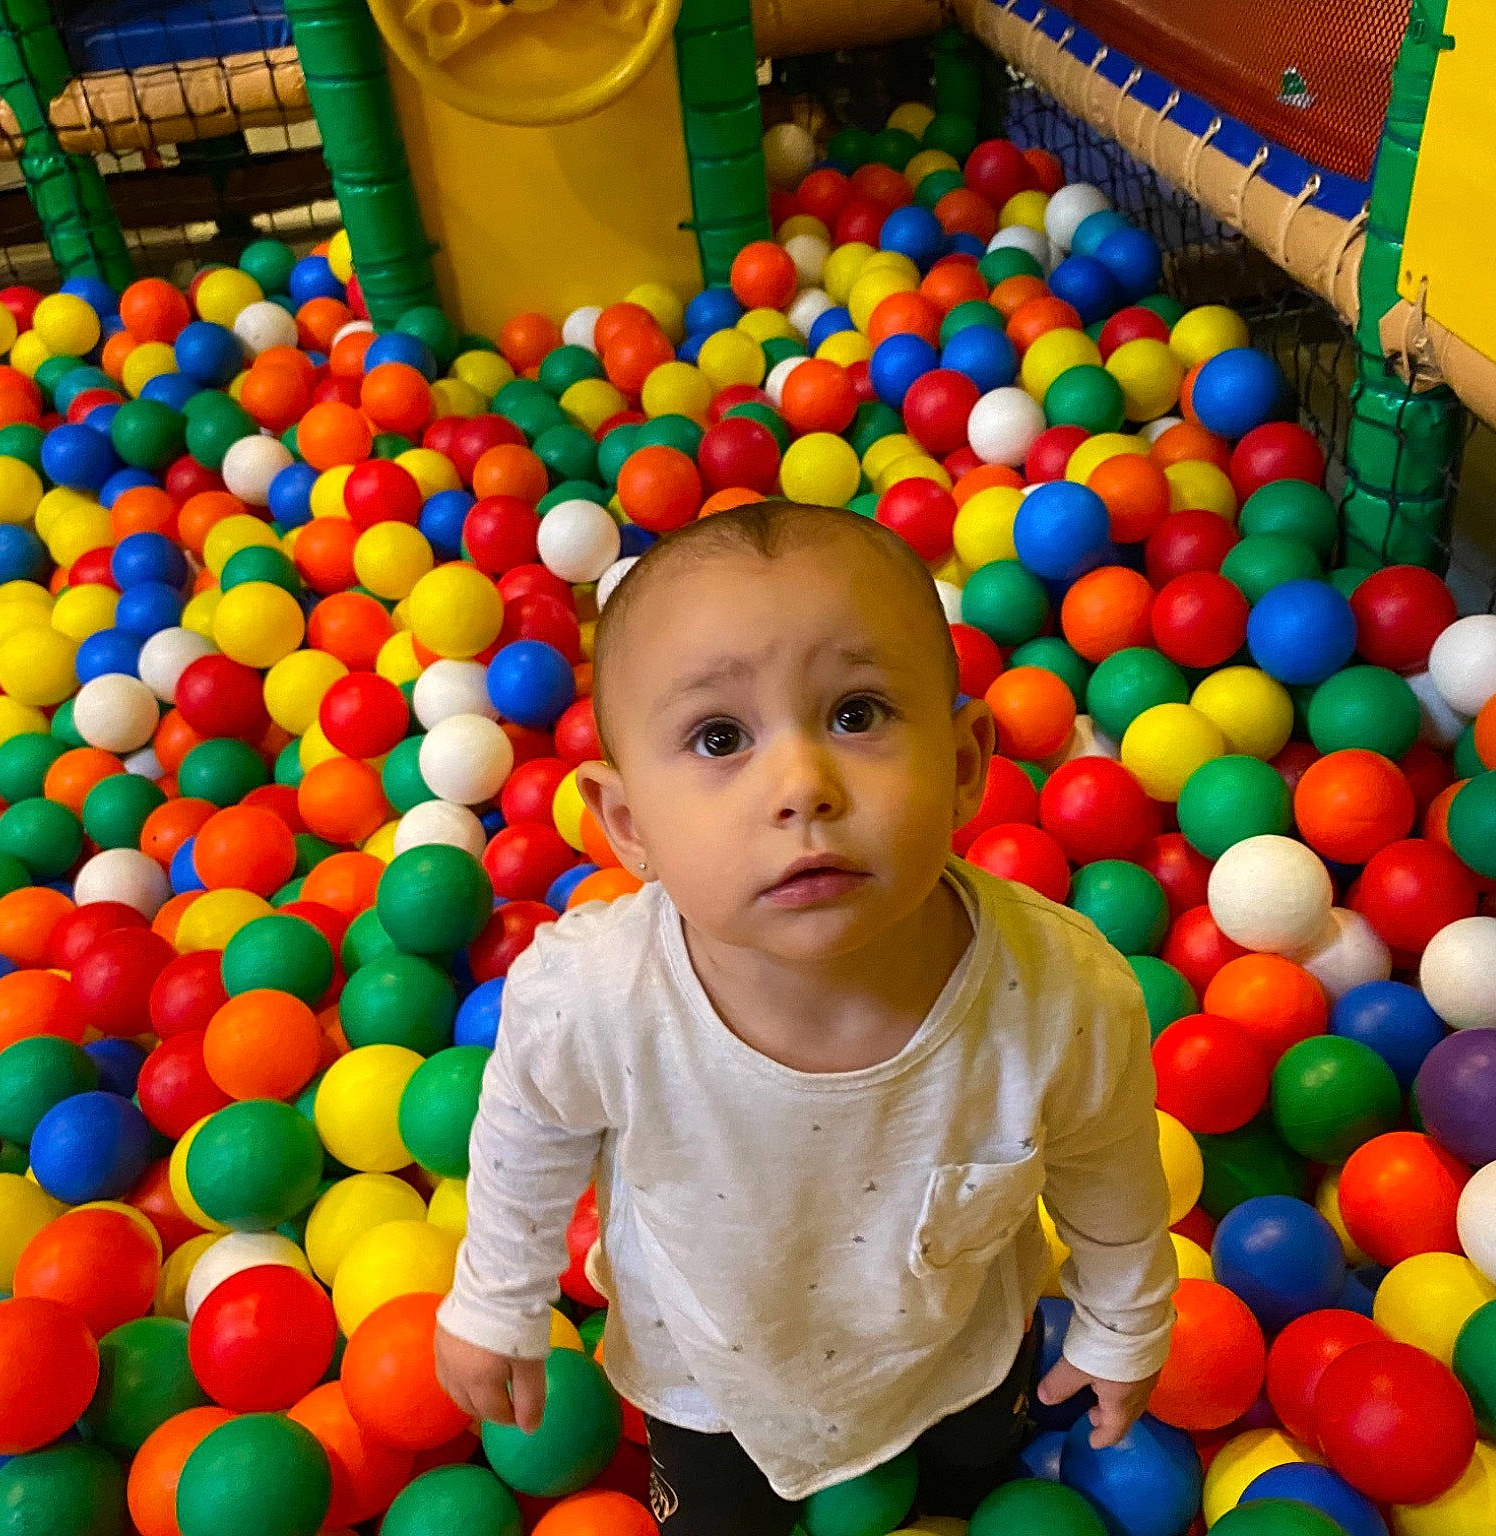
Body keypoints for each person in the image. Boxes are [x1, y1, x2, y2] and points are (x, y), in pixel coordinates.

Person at [434, 500, 1178, 1532]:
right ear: (628, 824)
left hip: (960, 1341)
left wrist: (1119, 1324)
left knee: (975, 1487)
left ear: (963, 766)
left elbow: (1106, 1160)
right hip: (707, 1370)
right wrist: (494, 1300)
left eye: (857, 713)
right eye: (718, 736)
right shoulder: (595, 997)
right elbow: (527, 1137)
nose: (800, 786)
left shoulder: (1058, 988)